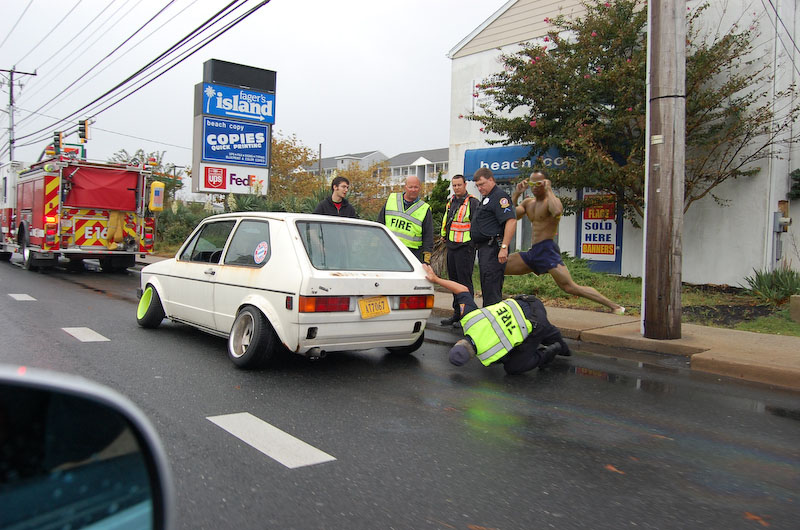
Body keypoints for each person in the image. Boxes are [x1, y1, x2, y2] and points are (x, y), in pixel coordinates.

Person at [507, 171, 625, 314]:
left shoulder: (551, 202)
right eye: (532, 184)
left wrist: (549, 189)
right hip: (534, 252)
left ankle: (615, 306)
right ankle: (499, 302)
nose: (535, 187)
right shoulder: (528, 203)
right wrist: (516, 194)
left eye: (539, 184)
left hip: (547, 250)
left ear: (546, 183)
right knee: (498, 267)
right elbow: (511, 215)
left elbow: (557, 211)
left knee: (569, 287)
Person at [423, 264, 570, 375]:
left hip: (536, 324)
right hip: (528, 302)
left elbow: (511, 352)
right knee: (551, 336)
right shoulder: (469, 319)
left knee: (513, 367)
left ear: (471, 358)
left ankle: (548, 353)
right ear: (458, 342)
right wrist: (436, 279)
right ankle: (563, 348)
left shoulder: (489, 356)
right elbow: (461, 289)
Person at [469, 168, 517, 306]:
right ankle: (489, 320)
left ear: (491, 180)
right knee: (487, 287)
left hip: (494, 249)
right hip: (485, 249)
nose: (479, 188)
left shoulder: (499, 197)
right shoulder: (487, 198)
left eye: (482, 184)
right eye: (477, 185)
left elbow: (511, 221)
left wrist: (504, 247)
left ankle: (494, 324)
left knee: (492, 289)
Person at [439, 174, 480, 327]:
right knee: (453, 283)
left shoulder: (473, 202)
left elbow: (476, 225)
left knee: (465, 284)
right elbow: (446, 220)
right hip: (452, 247)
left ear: (465, 185)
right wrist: (444, 236)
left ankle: (468, 316)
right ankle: (457, 314)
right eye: (454, 185)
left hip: (465, 249)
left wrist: (472, 244)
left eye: (459, 185)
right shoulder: (451, 202)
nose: (456, 188)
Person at [379, 175, 433, 264]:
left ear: (420, 188)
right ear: (405, 187)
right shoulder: (392, 199)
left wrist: (426, 260)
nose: (413, 189)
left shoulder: (425, 209)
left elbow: (428, 236)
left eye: (416, 187)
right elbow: (380, 224)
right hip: (388, 250)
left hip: (411, 253)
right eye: (410, 187)